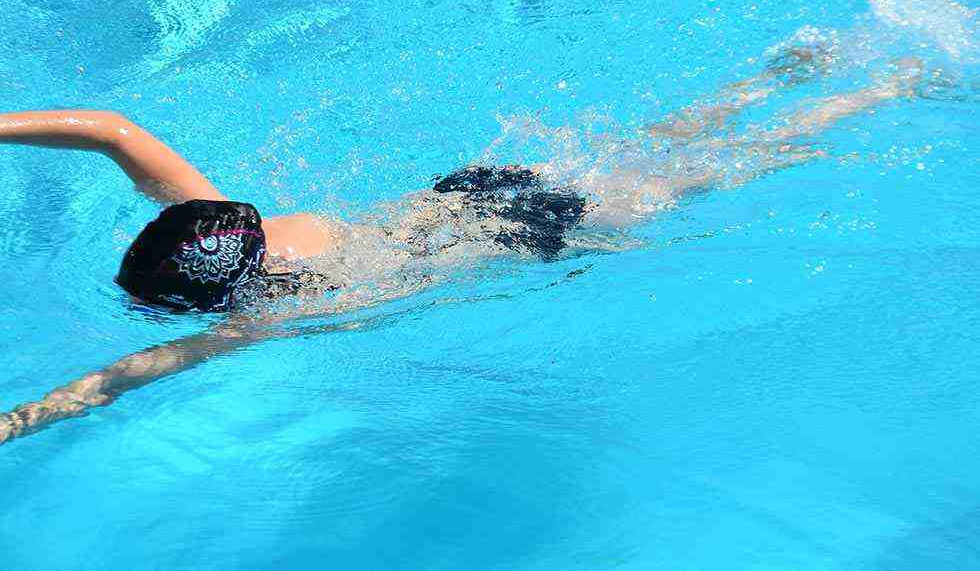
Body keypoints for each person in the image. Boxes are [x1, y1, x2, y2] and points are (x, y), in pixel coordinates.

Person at [0, 50, 923, 445]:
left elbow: (128, 374)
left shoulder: (265, 317)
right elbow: (111, 127)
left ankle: (874, 94)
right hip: (473, 189)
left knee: (716, 176)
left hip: (524, 235)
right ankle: (774, 78)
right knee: (665, 136)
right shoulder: (224, 217)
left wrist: (18, 422)